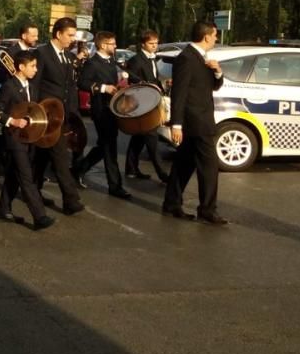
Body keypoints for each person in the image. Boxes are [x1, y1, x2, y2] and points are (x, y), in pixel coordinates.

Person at [162, 21, 226, 225]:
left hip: (200, 119)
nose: (216, 38)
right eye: (215, 35)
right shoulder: (187, 58)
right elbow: (179, 93)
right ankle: (207, 209)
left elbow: (213, 86)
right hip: (195, 121)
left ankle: (171, 203)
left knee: (184, 163)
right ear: (206, 36)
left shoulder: (202, 58)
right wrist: (177, 124)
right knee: (209, 166)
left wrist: (217, 71)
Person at [0, 50, 56, 230]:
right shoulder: (9, 86)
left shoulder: (32, 87)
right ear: (21, 67)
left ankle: (3, 210)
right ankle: (39, 217)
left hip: (28, 138)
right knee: (27, 177)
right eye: (32, 66)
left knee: (13, 174)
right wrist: (12, 120)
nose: (36, 70)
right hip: (14, 138)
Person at [33, 17, 85, 215]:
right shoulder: (42, 53)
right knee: (60, 157)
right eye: (70, 35)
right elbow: (35, 85)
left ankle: (33, 189)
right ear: (58, 34)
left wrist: (74, 114)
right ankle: (70, 200)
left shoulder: (68, 56)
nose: (72, 39)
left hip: (64, 115)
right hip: (47, 115)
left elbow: (71, 87)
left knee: (42, 156)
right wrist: (38, 113)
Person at [76, 31, 131, 199]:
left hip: (112, 108)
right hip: (101, 110)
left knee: (104, 146)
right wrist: (103, 88)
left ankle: (78, 169)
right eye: (112, 44)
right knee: (110, 147)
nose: (115, 46)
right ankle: (115, 186)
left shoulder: (111, 61)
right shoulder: (93, 63)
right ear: (102, 45)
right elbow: (82, 82)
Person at [123, 29, 169, 182]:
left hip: (152, 102)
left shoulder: (152, 59)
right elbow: (132, 82)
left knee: (139, 138)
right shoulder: (136, 60)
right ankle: (163, 175)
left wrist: (164, 83)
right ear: (143, 44)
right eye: (151, 43)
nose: (155, 46)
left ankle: (131, 169)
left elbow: (154, 78)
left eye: (156, 43)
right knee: (152, 140)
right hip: (142, 105)